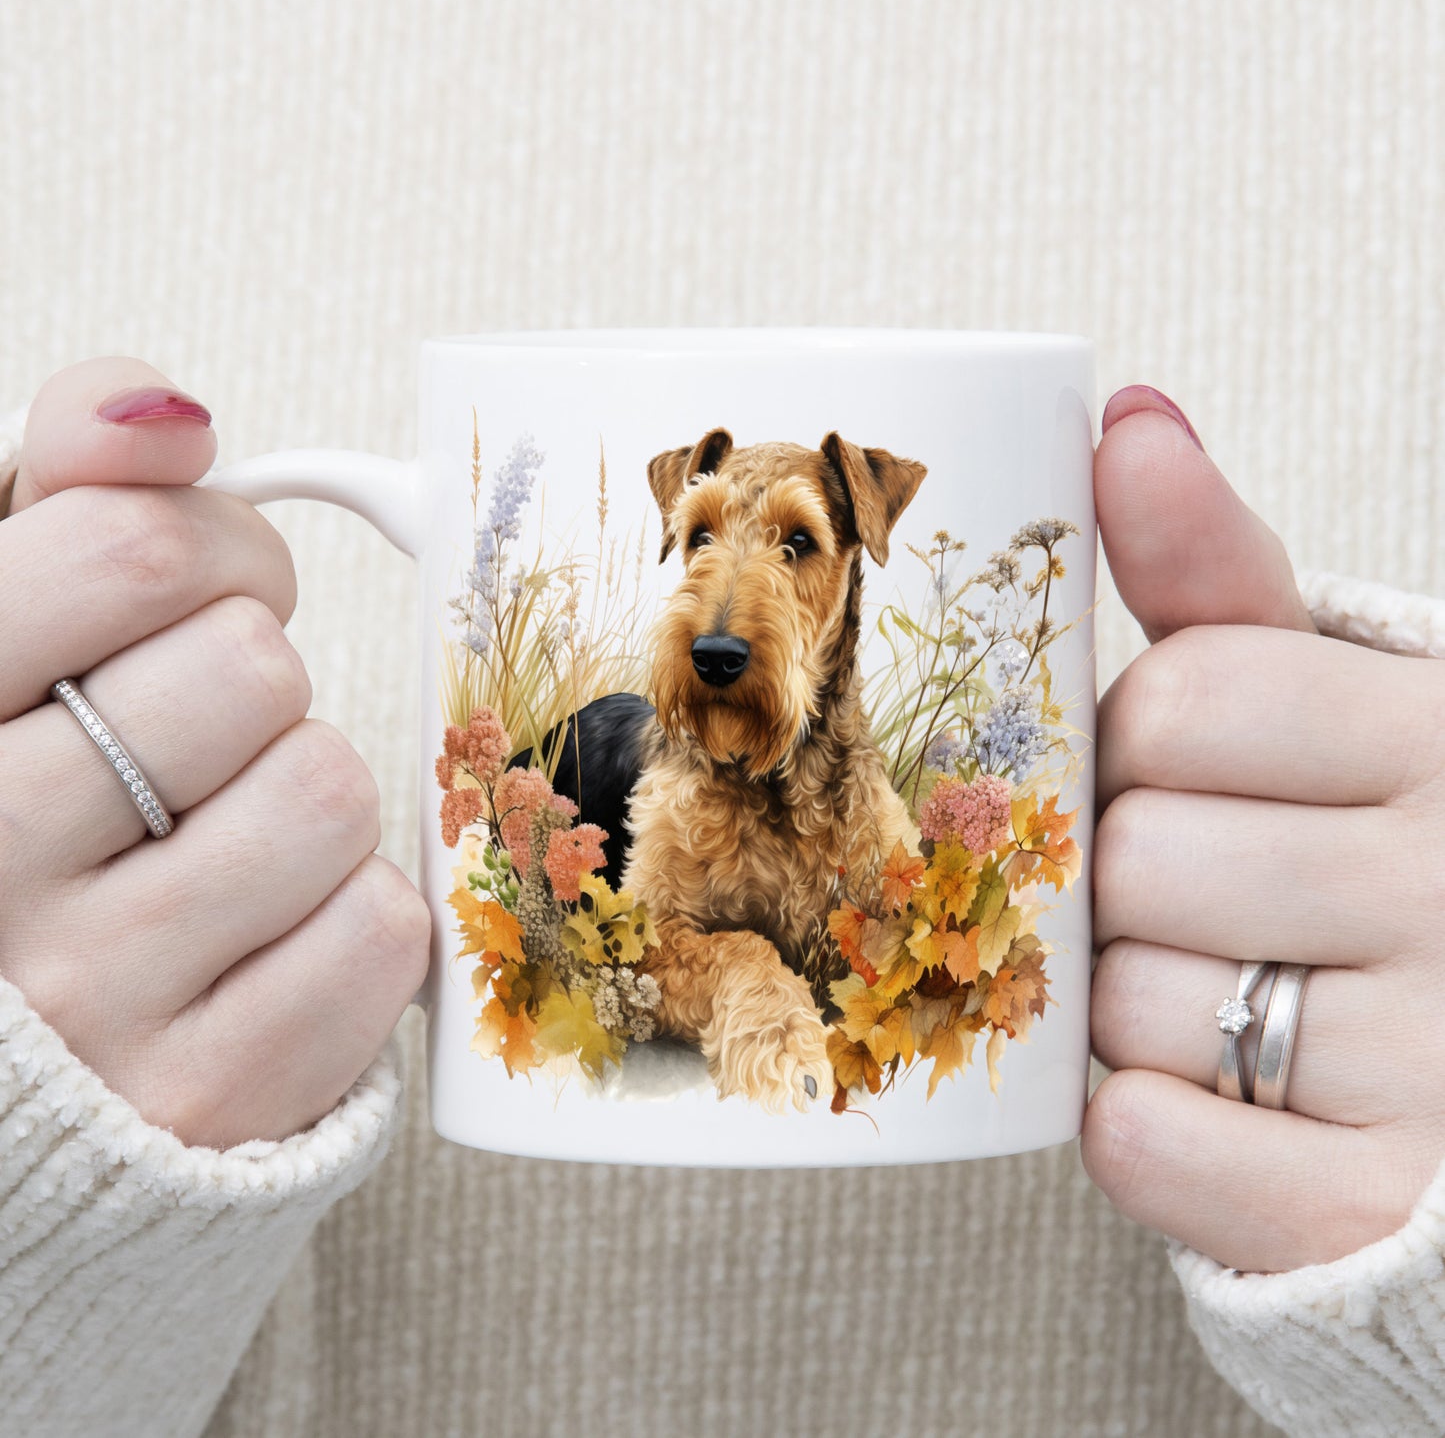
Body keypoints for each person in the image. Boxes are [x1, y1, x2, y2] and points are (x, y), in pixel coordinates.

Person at [0, 359, 1442, 1438]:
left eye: (791, 546)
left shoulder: (880, 814)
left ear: (858, 549)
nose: (720, 605)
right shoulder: (666, 790)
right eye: (699, 538)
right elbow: (658, 944)